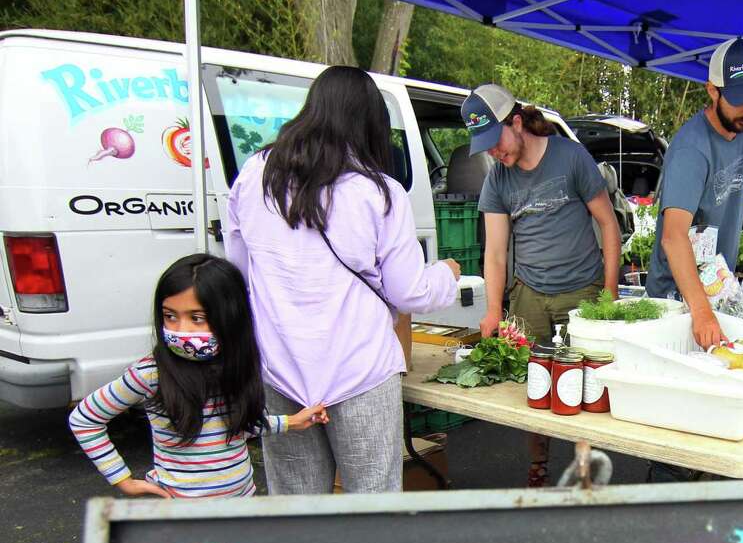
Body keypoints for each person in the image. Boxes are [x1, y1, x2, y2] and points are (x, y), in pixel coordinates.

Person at [227, 66, 459, 494]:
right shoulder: (380, 192)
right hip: (359, 370)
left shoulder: (255, 175)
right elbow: (409, 291)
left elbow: (239, 272)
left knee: (297, 506)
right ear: (371, 123)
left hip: (278, 367)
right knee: (372, 502)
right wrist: (447, 274)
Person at [464, 83, 622, 486]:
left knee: (584, 387)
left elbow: (608, 224)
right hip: (528, 294)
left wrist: (610, 293)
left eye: (495, 140)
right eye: (484, 146)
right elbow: (495, 253)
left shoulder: (571, 157)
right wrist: (493, 311)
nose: (493, 152)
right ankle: (538, 466)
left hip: (582, 290)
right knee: (535, 386)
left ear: (516, 122)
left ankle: (586, 469)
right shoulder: (498, 180)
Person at [68, 254, 328, 499]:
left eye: (197, 318)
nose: (182, 329)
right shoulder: (151, 374)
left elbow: (234, 427)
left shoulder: (235, 367)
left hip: (241, 507)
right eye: (170, 316)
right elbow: (84, 419)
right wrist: (124, 480)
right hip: (183, 517)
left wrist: (292, 422)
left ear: (230, 317)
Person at [647, 36, 743, 349]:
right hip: (677, 299)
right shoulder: (691, 151)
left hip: (717, 285)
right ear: (712, 90)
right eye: (739, 99)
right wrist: (701, 311)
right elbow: (672, 236)